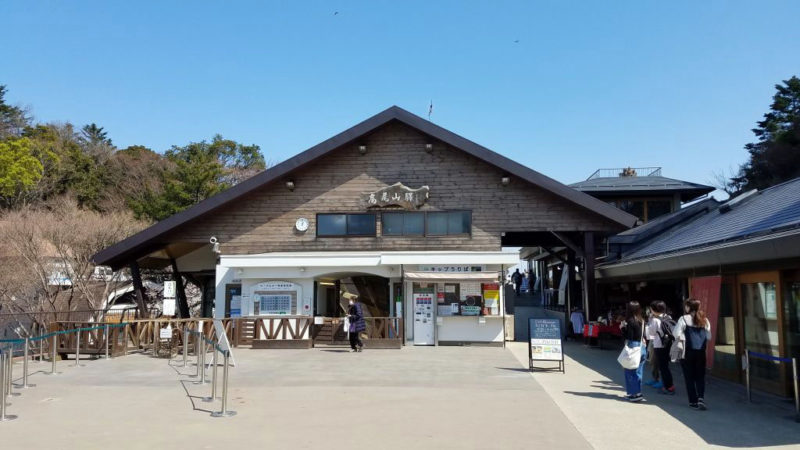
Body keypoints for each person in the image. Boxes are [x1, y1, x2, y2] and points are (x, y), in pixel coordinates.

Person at [673, 298, 711, 410]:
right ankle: (701, 398)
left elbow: (676, 333)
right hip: (701, 352)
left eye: (686, 306)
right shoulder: (705, 319)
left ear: (688, 307)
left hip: (687, 351)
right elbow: (709, 336)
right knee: (700, 376)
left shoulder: (683, 319)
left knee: (689, 377)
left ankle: (693, 401)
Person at [646, 301, 676, 395]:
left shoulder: (655, 320)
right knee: (665, 366)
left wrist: (649, 322)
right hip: (668, 344)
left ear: (654, 309)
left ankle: (669, 387)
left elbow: (649, 335)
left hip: (659, 345)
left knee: (663, 367)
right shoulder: (668, 317)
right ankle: (668, 385)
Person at [620, 301, 646, 402]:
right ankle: (637, 392)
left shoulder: (630, 321)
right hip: (641, 347)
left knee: (630, 372)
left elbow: (629, 336)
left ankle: (634, 394)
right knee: (638, 372)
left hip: (633, 347)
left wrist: (622, 329)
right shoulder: (642, 320)